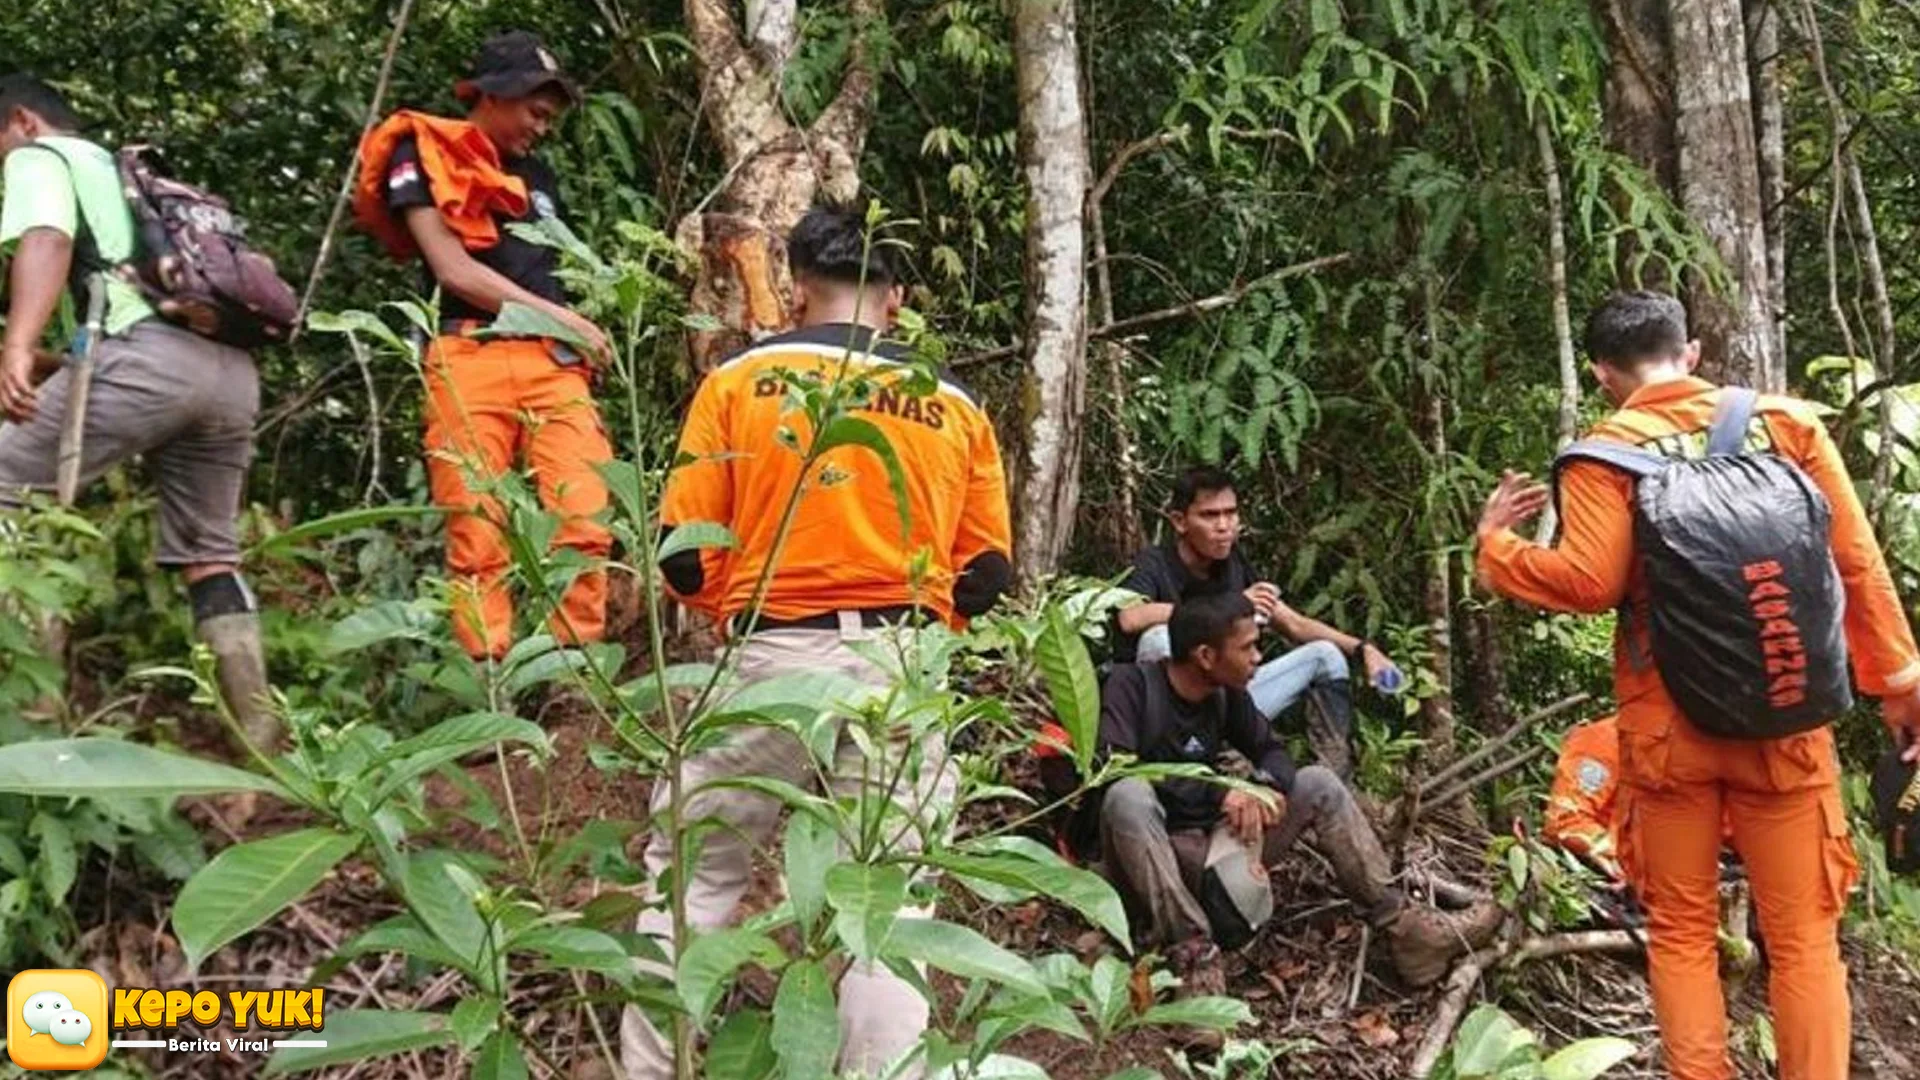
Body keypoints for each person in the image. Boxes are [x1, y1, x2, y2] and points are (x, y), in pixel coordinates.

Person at [1476, 290, 1920, 1080]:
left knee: (1681, 933)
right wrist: (1899, 683)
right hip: (1784, 722)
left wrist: (1497, 549)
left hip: (1667, 733)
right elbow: (1856, 563)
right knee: (1805, 940)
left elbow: (1586, 582)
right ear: (1692, 353)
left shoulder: (1602, 456)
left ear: (1604, 374)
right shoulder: (1787, 425)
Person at [619, 203, 1014, 1079]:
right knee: (887, 906)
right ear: (898, 298)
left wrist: (749, 606)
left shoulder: (736, 380)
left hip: (769, 657)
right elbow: (986, 579)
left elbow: (683, 558)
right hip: (902, 667)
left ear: (797, 289)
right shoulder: (952, 404)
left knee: (692, 881)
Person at [0, 74, 276, 747]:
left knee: (7, 489)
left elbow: (47, 238)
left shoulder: (43, 158)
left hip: (147, 361)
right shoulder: (127, 183)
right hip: (227, 372)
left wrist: (16, 342)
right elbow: (92, 351)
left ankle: (33, 737)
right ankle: (263, 750)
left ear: (21, 122)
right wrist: (30, 356)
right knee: (212, 556)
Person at [1098, 591, 1504, 995]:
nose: (1258, 657)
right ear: (1206, 656)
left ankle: (1407, 930)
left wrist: (1265, 790)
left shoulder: (1226, 694)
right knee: (1127, 794)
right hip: (1150, 861)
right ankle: (1194, 958)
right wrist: (1219, 795)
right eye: (1248, 647)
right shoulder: (1130, 686)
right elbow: (1115, 763)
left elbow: (1272, 752)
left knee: (1318, 783)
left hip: (1215, 849)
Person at [353, 30, 613, 660]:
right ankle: (491, 675)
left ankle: (576, 671)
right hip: (469, 353)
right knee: (477, 528)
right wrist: (567, 321)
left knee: (583, 514)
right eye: (536, 112)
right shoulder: (422, 149)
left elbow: (552, 265)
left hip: (553, 362)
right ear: (496, 94)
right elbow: (454, 269)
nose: (541, 128)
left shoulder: (538, 174)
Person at [1113, 466, 1402, 777]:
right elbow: (1130, 618)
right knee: (1158, 637)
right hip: (1164, 717)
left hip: (1228, 711)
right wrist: (1231, 606)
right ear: (1180, 521)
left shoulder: (1234, 563)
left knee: (1326, 656)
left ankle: (1330, 778)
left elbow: (1295, 624)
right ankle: (1182, 755)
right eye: (1210, 516)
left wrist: (1364, 649)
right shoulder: (1154, 563)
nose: (1224, 526)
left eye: (1231, 514)